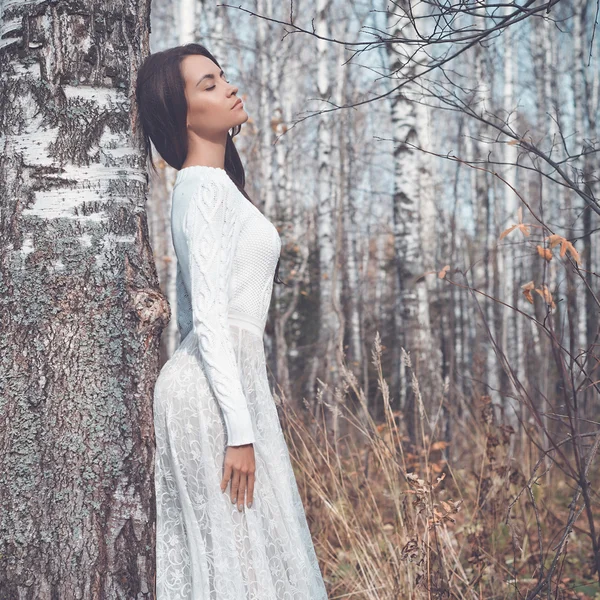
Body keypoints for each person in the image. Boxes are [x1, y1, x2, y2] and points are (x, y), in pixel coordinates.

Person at [134, 43, 329, 599]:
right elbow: (212, 322)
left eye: (222, 77)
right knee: (235, 560)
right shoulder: (199, 190)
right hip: (214, 397)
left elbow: (199, 310)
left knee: (246, 557)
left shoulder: (213, 188)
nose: (229, 88)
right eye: (208, 84)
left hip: (225, 385)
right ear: (181, 113)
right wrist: (239, 431)